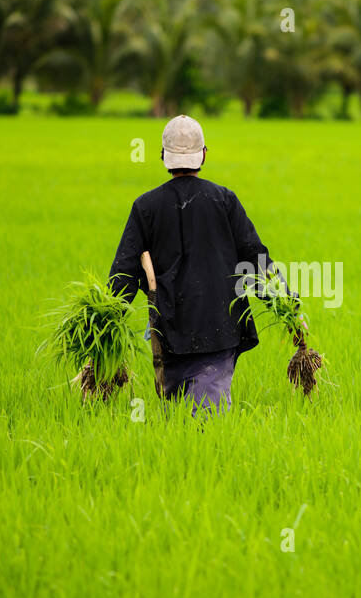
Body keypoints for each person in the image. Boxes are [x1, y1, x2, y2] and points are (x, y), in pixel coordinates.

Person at [107, 115, 275, 412]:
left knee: (184, 420)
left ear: (163, 156)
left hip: (169, 333)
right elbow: (256, 261)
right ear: (204, 154)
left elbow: (124, 273)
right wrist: (287, 307)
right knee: (200, 424)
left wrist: (104, 325)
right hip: (220, 330)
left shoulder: (146, 206)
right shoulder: (224, 200)